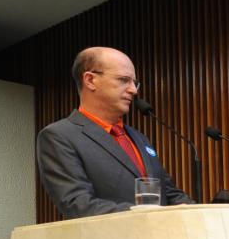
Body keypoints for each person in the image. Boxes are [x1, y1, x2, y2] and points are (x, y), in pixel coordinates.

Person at [36, 47, 193, 219]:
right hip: (110, 236)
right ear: (90, 80)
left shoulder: (140, 138)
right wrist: (147, 215)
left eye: (134, 83)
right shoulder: (59, 136)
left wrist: (197, 211)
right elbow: (78, 204)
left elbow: (168, 193)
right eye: (124, 80)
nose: (134, 90)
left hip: (159, 234)